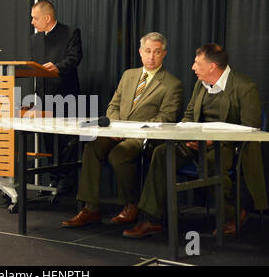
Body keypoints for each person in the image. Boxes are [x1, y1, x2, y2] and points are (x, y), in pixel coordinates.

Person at [124, 43, 269, 238]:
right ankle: (151, 220)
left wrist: (211, 141)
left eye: (196, 63)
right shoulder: (200, 85)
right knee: (161, 154)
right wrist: (187, 136)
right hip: (196, 142)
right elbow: (189, 116)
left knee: (210, 162)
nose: (192, 67)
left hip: (227, 145)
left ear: (212, 67)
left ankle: (232, 214)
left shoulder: (245, 87)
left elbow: (251, 129)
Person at [62, 32, 183, 228]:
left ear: (164, 54)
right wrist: (116, 127)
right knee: (91, 145)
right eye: (148, 51)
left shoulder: (172, 84)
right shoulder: (129, 75)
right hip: (116, 130)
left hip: (143, 137)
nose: (152, 56)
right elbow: (113, 106)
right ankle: (89, 208)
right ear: (140, 52)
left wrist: (130, 131)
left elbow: (166, 118)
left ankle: (131, 205)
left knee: (119, 154)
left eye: (157, 52)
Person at [30, 0, 83, 193]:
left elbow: (74, 58)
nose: (32, 22)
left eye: (35, 18)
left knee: (65, 143)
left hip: (65, 97)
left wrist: (57, 67)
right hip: (43, 99)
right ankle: (53, 179)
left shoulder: (71, 32)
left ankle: (67, 182)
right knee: (48, 141)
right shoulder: (35, 39)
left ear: (47, 18)